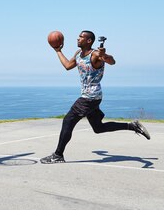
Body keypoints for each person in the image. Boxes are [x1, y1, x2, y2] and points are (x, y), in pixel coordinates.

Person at [40, 30, 150, 164]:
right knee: (98, 128)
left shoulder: (96, 55)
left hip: (89, 97)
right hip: (93, 97)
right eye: (78, 36)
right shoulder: (79, 54)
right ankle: (132, 126)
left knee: (68, 120)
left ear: (89, 41)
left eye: (81, 37)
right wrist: (57, 51)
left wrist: (105, 55)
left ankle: (58, 155)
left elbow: (112, 61)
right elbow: (68, 66)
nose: (78, 38)